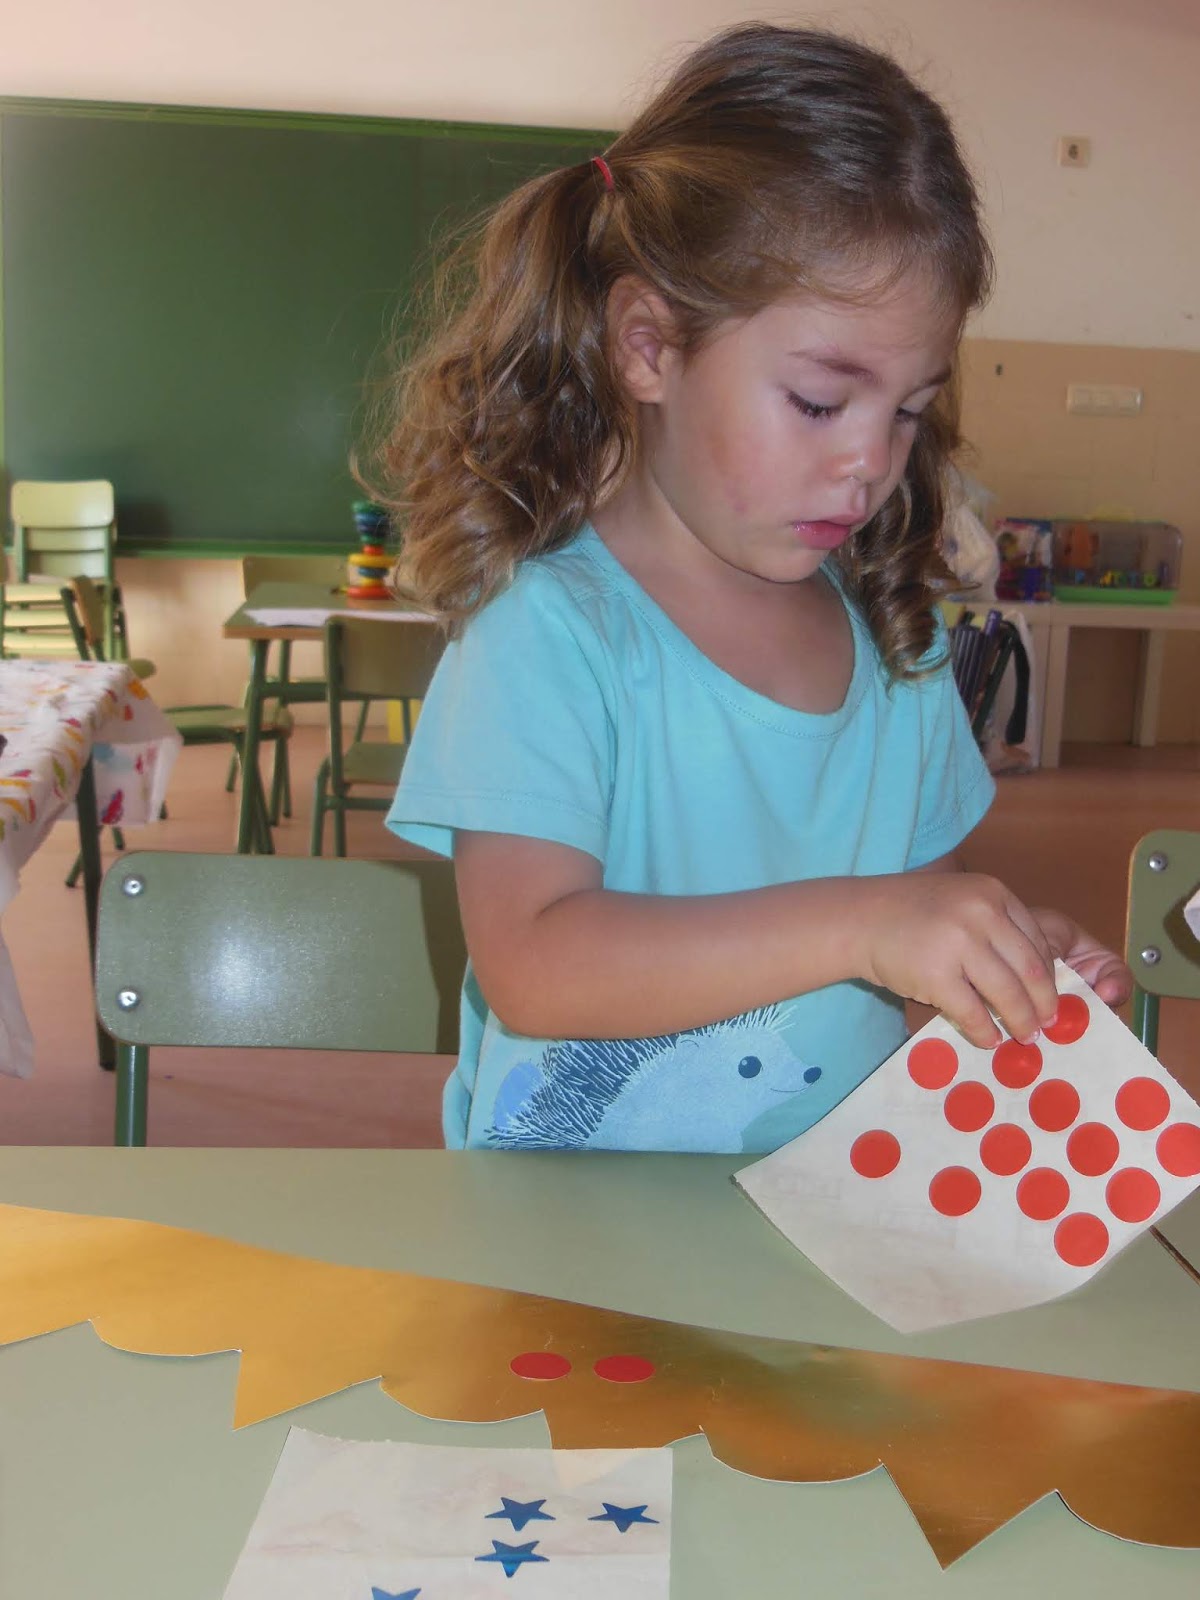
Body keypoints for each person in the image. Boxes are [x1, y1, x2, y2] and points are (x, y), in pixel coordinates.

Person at [374, 23, 1131, 1152]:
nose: (871, 461)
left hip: (830, 1225)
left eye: (910, 409)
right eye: (823, 402)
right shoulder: (551, 632)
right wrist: (870, 923)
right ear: (649, 346)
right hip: (572, 1253)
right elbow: (536, 961)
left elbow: (905, 944)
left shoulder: (894, 644)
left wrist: (997, 960)